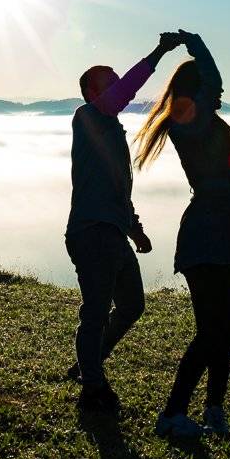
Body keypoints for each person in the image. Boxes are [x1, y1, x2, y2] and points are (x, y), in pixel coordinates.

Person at [133, 30, 230, 439]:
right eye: (210, 88)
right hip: (204, 236)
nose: (220, 92)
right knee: (211, 332)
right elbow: (214, 82)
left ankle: (214, 409)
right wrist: (193, 41)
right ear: (196, 90)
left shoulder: (213, 126)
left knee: (226, 328)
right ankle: (172, 414)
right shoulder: (191, 123)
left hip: (224, 234)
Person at [66, 32, 184, 412]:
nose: (120, 87)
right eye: (110, 82)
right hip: (92, 233)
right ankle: (93, 387)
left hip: (113, 232)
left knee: (132, 305)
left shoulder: (112, 130)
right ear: (91, 93)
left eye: (118, 79)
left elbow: (117, 190)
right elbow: (127, 92)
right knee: (96, 313)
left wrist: (135, 229)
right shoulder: (87, 118)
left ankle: (88, 365)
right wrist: (158, 54)